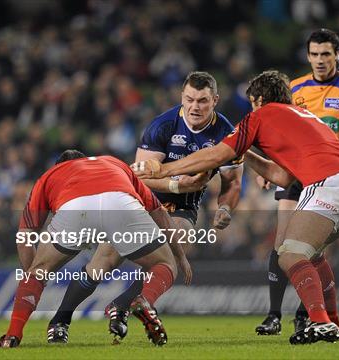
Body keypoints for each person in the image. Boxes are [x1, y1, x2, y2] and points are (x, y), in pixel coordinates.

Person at [132, 70, 339, 345]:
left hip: (330, 181)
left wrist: (164, 169)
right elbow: (283, 177)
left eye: (251, 103)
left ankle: (320, 323)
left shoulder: (260, 115)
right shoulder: (302, 116)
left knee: (289, 255)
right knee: (312, 254)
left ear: (258, 100)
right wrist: (246, 155)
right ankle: (334, 325)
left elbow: (215, 155)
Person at [72, 71, 243, 342]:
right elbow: (141, 177)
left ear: (215, 101)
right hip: (143, 202)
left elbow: (232, 183)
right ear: (182, 98)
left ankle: (121, 305)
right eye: (189, 99)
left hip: (184, 208)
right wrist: (177, 185)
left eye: (202, 101)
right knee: (103, 261)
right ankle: (60, 319)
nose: (195, 107)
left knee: (173, 255)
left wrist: (225, 209)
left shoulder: (227, 133)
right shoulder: (162, 125)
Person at [255, 28, 339, 339]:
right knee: (282, 242)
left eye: (326, 54)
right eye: (314, 54)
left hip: (330, 177)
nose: (320, 60)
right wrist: (265, 168)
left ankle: (309, 314)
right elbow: (275, 128)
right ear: (308, 55)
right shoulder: (295, 88)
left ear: (337, 55)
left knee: (308, 249)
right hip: (293, 173)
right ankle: (274, 315)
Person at [0, 150, 186, 348]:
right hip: (121, 204)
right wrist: (180, 257)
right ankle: (144, 301)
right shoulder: (114, 162)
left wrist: (33, 282)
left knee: (40, 271)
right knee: (163, 263)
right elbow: (160, 214)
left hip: (75, 209)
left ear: (59, 165)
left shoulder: (49, 175)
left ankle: (13, 335)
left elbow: (26, 234)